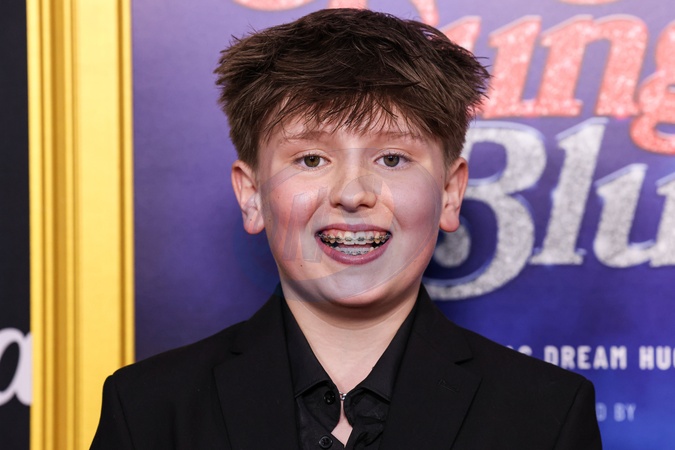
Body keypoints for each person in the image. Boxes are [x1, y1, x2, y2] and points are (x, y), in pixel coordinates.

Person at [91, 8, 602, 449]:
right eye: (311, 159)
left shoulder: (546, 415)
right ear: (252, 196)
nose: (353, 194)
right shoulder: (148, 410)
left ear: (450, 193)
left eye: (392, 158)